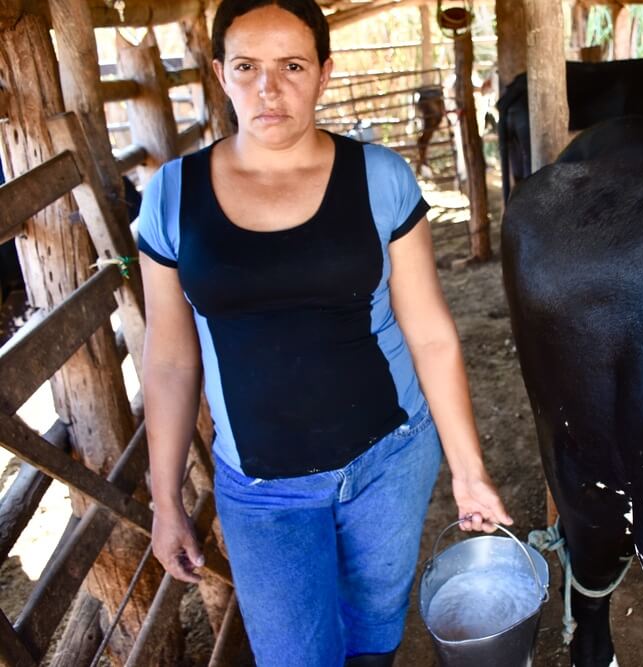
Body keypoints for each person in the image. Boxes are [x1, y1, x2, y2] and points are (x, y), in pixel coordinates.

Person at [136, 1, 512, 665]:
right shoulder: (173, 198)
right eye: (248, 66)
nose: (268, 88)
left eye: (292, 66)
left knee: (373, 639)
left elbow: (429, 332)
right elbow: (168, 359)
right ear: (221, 73)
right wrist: (164, 498)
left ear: (324, 73)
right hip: (262, 487)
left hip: (388, 460)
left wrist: (469, 471)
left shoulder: (379, 178)